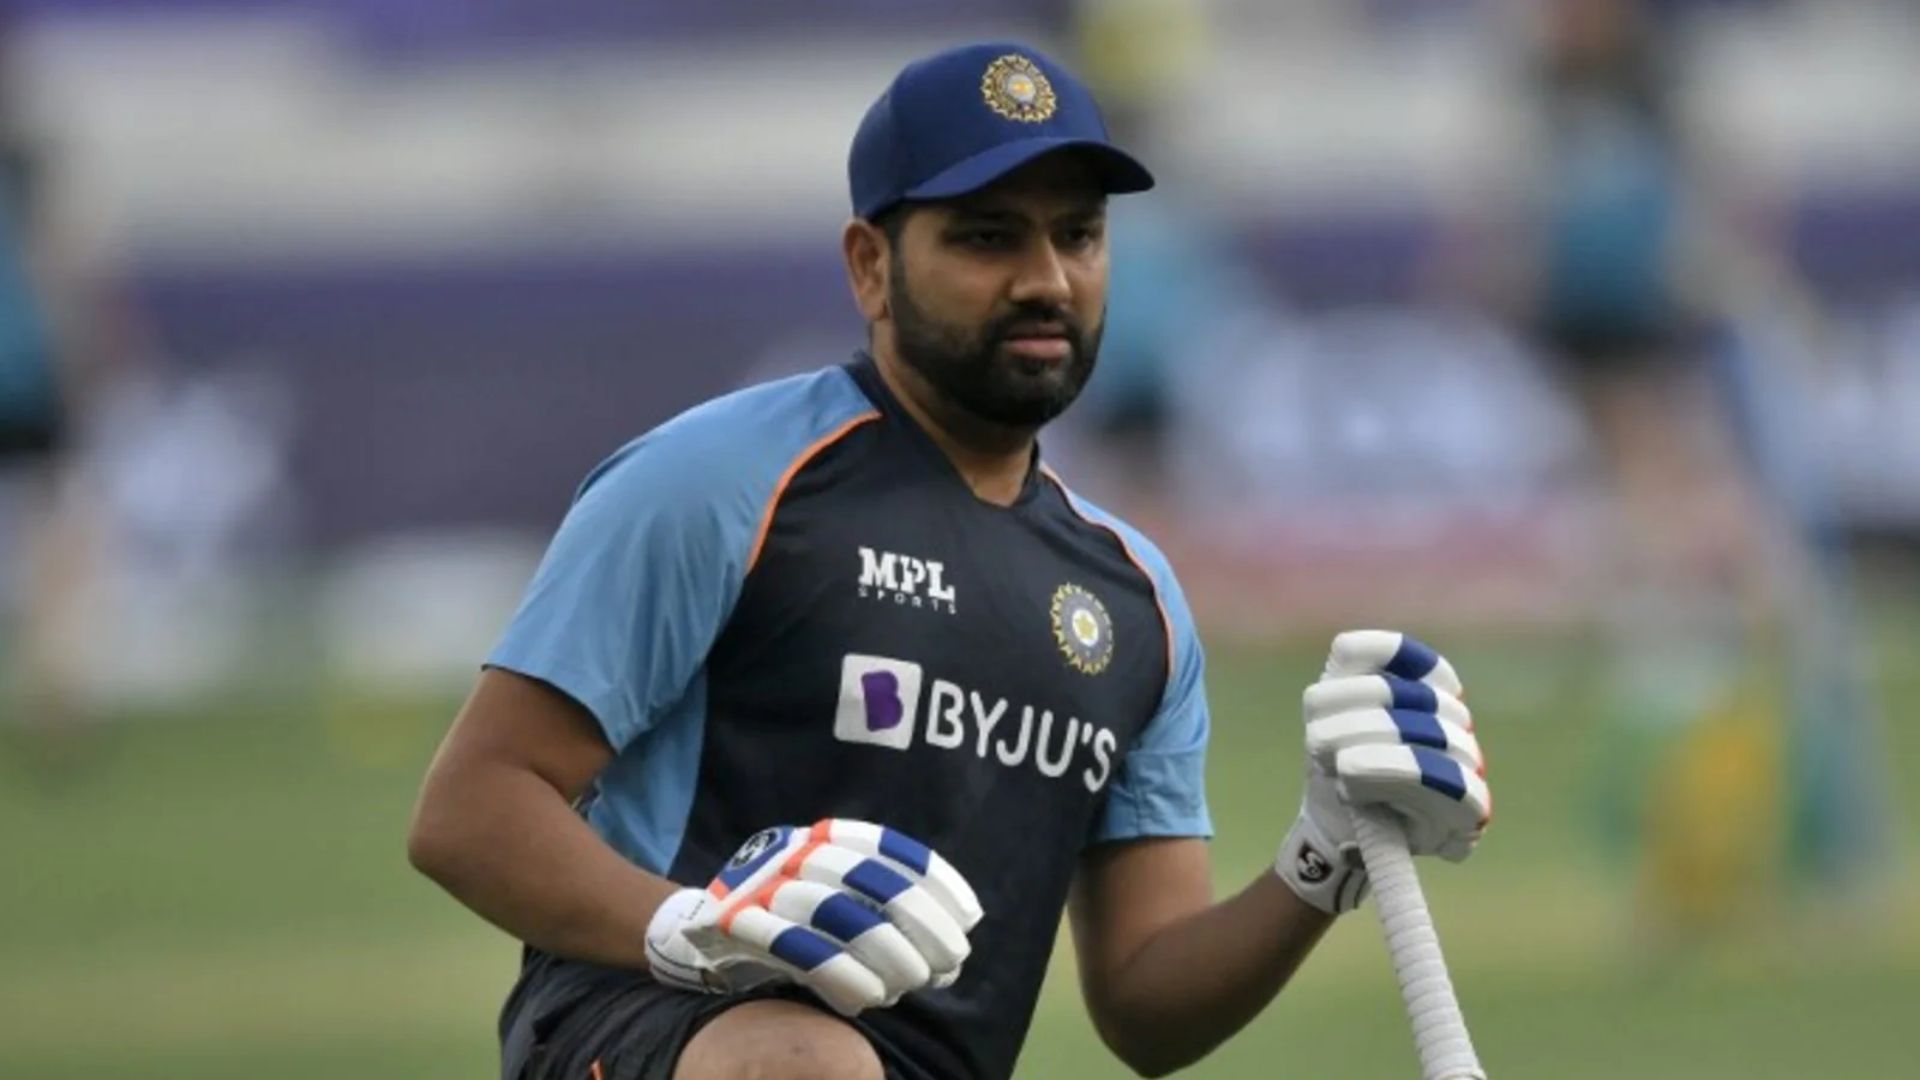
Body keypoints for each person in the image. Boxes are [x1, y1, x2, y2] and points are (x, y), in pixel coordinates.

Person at [408, 41, 1493, 1080]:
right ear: (870, 267)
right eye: (987, 238)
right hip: (646, 1022)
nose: (1047, 279)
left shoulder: (1136, 602)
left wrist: (1320, 855)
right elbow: (471, 809)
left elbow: (1148, 1006)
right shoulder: (718, 480)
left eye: (1078, 235)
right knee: (810, 1063)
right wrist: (697, 928)